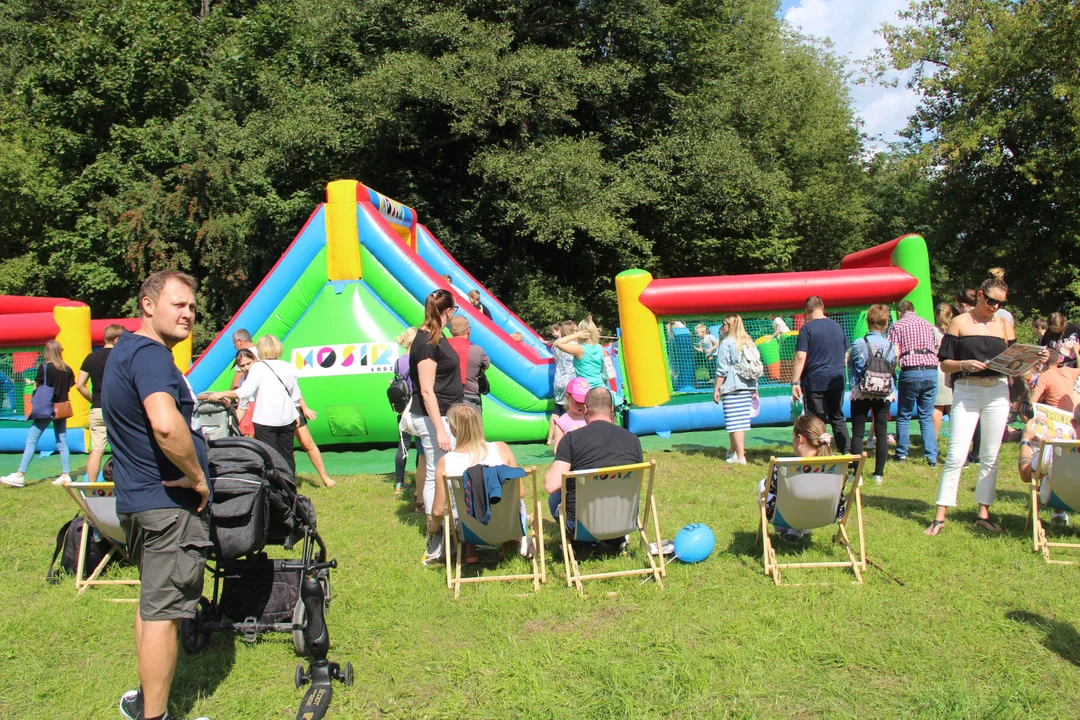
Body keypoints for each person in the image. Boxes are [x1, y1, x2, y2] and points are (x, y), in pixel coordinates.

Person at [101, 270, 211, 720]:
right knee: (164, 613)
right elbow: (165, 424)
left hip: (137, 502)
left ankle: (146, 702)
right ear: (148, 305)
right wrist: (197, 475)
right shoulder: (151, 356)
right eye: (177, 305)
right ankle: (157, 716)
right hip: (167, 507)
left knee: (151, 607)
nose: (188, 314)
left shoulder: (124, 350)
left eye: (191, 307)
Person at [925, 276, 1038, 536]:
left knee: (990, 455)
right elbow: (944, 363)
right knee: (955, 454)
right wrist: (965, 364)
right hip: (967, 391)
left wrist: (1035, 360)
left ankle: (983, 514)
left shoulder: (1005, 325)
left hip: (998, 391)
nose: (995, 306)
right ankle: (940, 516)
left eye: (1000, 303)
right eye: (990, 300)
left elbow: (1017, 363)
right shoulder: (959, 322)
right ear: (979, 295)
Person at [401, 289, 463, 565]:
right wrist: (440, 430)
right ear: (447, 311)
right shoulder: (426, 341)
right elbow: (426, 391)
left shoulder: (436, 334)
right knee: (437, 476)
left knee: (442, 473)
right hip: (432, 418)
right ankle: (435, 537)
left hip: (446, 414)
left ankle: (449, 528)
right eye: (455, 310)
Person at [431, 403, 532, 563]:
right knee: (508, 502)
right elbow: (520, 493)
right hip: (508, 523)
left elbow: (437, 512)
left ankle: (470, 545)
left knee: (460, 509)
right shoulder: (501, 448)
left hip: (469, 528)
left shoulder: (446, 462)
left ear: (455, 429)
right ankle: (509, 540)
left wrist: (432, 528)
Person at [544, 387, 642, 539]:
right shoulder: (633, 440)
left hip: (581, 524)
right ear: (611, 409)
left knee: (555, 498)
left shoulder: (571, 440)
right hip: (623, 519)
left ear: (584, 409)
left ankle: (583, 542)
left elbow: (550, 485)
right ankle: (616, 539)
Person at [209, 335, 301, 474]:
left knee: (269, 456)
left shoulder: (258, 368)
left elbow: (245, 392)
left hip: (265, 420)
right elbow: (295, 394)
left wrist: (223, 393)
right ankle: (290, 486)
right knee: (287, 454)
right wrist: (296, 412)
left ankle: (275, 488)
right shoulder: (288, 366)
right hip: (287, 418)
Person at [1, 339, 75, 487]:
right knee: (62, 441)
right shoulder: (68, 369)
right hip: (61, 408)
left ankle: (20, 475)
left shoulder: (45, 368)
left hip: (46, 408)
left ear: (47, 352)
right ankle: (66, 475)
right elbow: (70, 385)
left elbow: (38, 385)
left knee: (31, 440)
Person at [759, 414, 840, 543]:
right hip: (826, 516)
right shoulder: (838, 466)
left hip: (785, 517)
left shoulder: (785, 467)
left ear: (800, 439)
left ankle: (788, 528)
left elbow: (771, 491)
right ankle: (795, 531)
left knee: (763, 485)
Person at [791, 296, 849, 453]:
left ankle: (817, 455)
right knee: (837, 418)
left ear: (806, 311)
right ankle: (847, 454)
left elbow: (800, 356)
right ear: (823, 308)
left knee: (816, 421)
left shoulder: (807, 329)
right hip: (837, 379)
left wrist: (795, 382)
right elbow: (845, 355)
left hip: (815, 380)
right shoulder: (837, 326)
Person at [887, 300, 941, 467]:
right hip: (931, 370)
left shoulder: (897, 326)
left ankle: (902, 453)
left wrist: (891, 372)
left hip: (910, 371)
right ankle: (932, 457)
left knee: (904, 415)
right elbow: (937, 348)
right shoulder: (928, 324)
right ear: (914, 310)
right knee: (926, 415)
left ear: (899, 313)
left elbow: (895, 353)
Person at [849, 305, 897, 484]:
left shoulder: (859, 343)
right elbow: (892, 366)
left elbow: (854, 366)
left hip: (862, 390)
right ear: (885, 324)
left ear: (868, 322)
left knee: (858, 433)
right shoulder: (891, 346)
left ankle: (858, 475)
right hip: (883, 391)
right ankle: (878, 474)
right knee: (882, 432)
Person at [74, 323, 125, 484]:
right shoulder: (121, 357)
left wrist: (93, 399)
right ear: (117, 339)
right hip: (118, 409)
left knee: (96, 450)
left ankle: (91, 486)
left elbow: (79, 385)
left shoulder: (91, 358)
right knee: (124, 448)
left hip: (97, 408)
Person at [1017, 406, 1080, 526]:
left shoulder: (1053, 448)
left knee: (1049, 469)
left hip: (1059, 500)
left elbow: (1026, 475)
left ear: (1072, 423)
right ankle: (1059, 516)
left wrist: (1025, 440)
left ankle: (1059, 513)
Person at [712, 314, 759, 465]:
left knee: (735, 423)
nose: (722, 327)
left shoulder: (727, 343)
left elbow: (722, 369)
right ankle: (733, 451)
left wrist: (717, 388)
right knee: (738, 421)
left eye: (724, 324)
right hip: (748, 385)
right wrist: (755, 387)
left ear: (730, 326)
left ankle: (740, 456)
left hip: (732, 386)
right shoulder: (748, 341)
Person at [393, 328, 420, 497]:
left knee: (402, 446)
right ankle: (421, 481)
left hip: (402, 409)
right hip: (416, 407)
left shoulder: (398, 362)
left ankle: (399, 483)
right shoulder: (417, 361)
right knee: (421, 447)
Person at [447, 316, 490, 415]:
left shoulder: (444, 346)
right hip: (470, 398)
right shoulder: (477, 350)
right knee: (473, 429)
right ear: (467, 330)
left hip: (448, 396)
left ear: (451, 331)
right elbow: (486, 365)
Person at [553, 316, 606, 389]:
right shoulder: (601, 348)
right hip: (601, 387)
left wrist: (577, 335)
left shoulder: (579, 349)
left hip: (585, 389)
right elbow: (609, 371)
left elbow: (557, 344)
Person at [1030, 347, 1080, 411]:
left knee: (1025, 408)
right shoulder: (1068, 371)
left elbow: (1032, 401)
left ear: (1043, 363)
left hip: (1055, 414)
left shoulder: (1044, 377)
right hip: (1070, 413)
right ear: (1058, 361)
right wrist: (1077, 353)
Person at [932, 303, 955, 443]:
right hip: (953, 369)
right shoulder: (956, 329)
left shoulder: (933, 331)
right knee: (954, 407)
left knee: (937, 407)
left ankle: (933, 439)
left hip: (939, 370)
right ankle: (957, 438)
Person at [553, 377, 589, 453]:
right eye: (578, 402)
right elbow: (557, 450)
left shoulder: (590, 418)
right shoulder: (562, 422)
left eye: (584, 402)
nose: (581, 405)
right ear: (567, 398)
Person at [231, 349, 257, 437]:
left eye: (248, 363)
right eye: (242, 366)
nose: (246, 367)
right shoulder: (243, 379)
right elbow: (243, 403)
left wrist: (222, 394)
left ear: (254, 360)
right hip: (247, 408)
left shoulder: (260, 374)